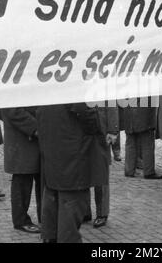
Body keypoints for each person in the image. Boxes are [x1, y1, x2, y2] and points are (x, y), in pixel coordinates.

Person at [37, 103, 118, 243]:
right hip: (73, 157)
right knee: (70, 213)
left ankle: (51, 238)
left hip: (53, 151)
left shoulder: (44, 86)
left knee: (53, 206)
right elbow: (86, 113)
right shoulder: (73, 85)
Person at [1, 107, 41, 233]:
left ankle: (45, 217)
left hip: (35, 139)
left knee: (42, 180)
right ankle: (20, 220)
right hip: (22, 140)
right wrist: (35, 128)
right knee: (22, 182)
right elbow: (12, 110)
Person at [123, 97, 162, 179]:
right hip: (145, 114)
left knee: (130, 143)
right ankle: (149, 172)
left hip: (129, 112)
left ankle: (129, 170)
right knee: (147, 144)